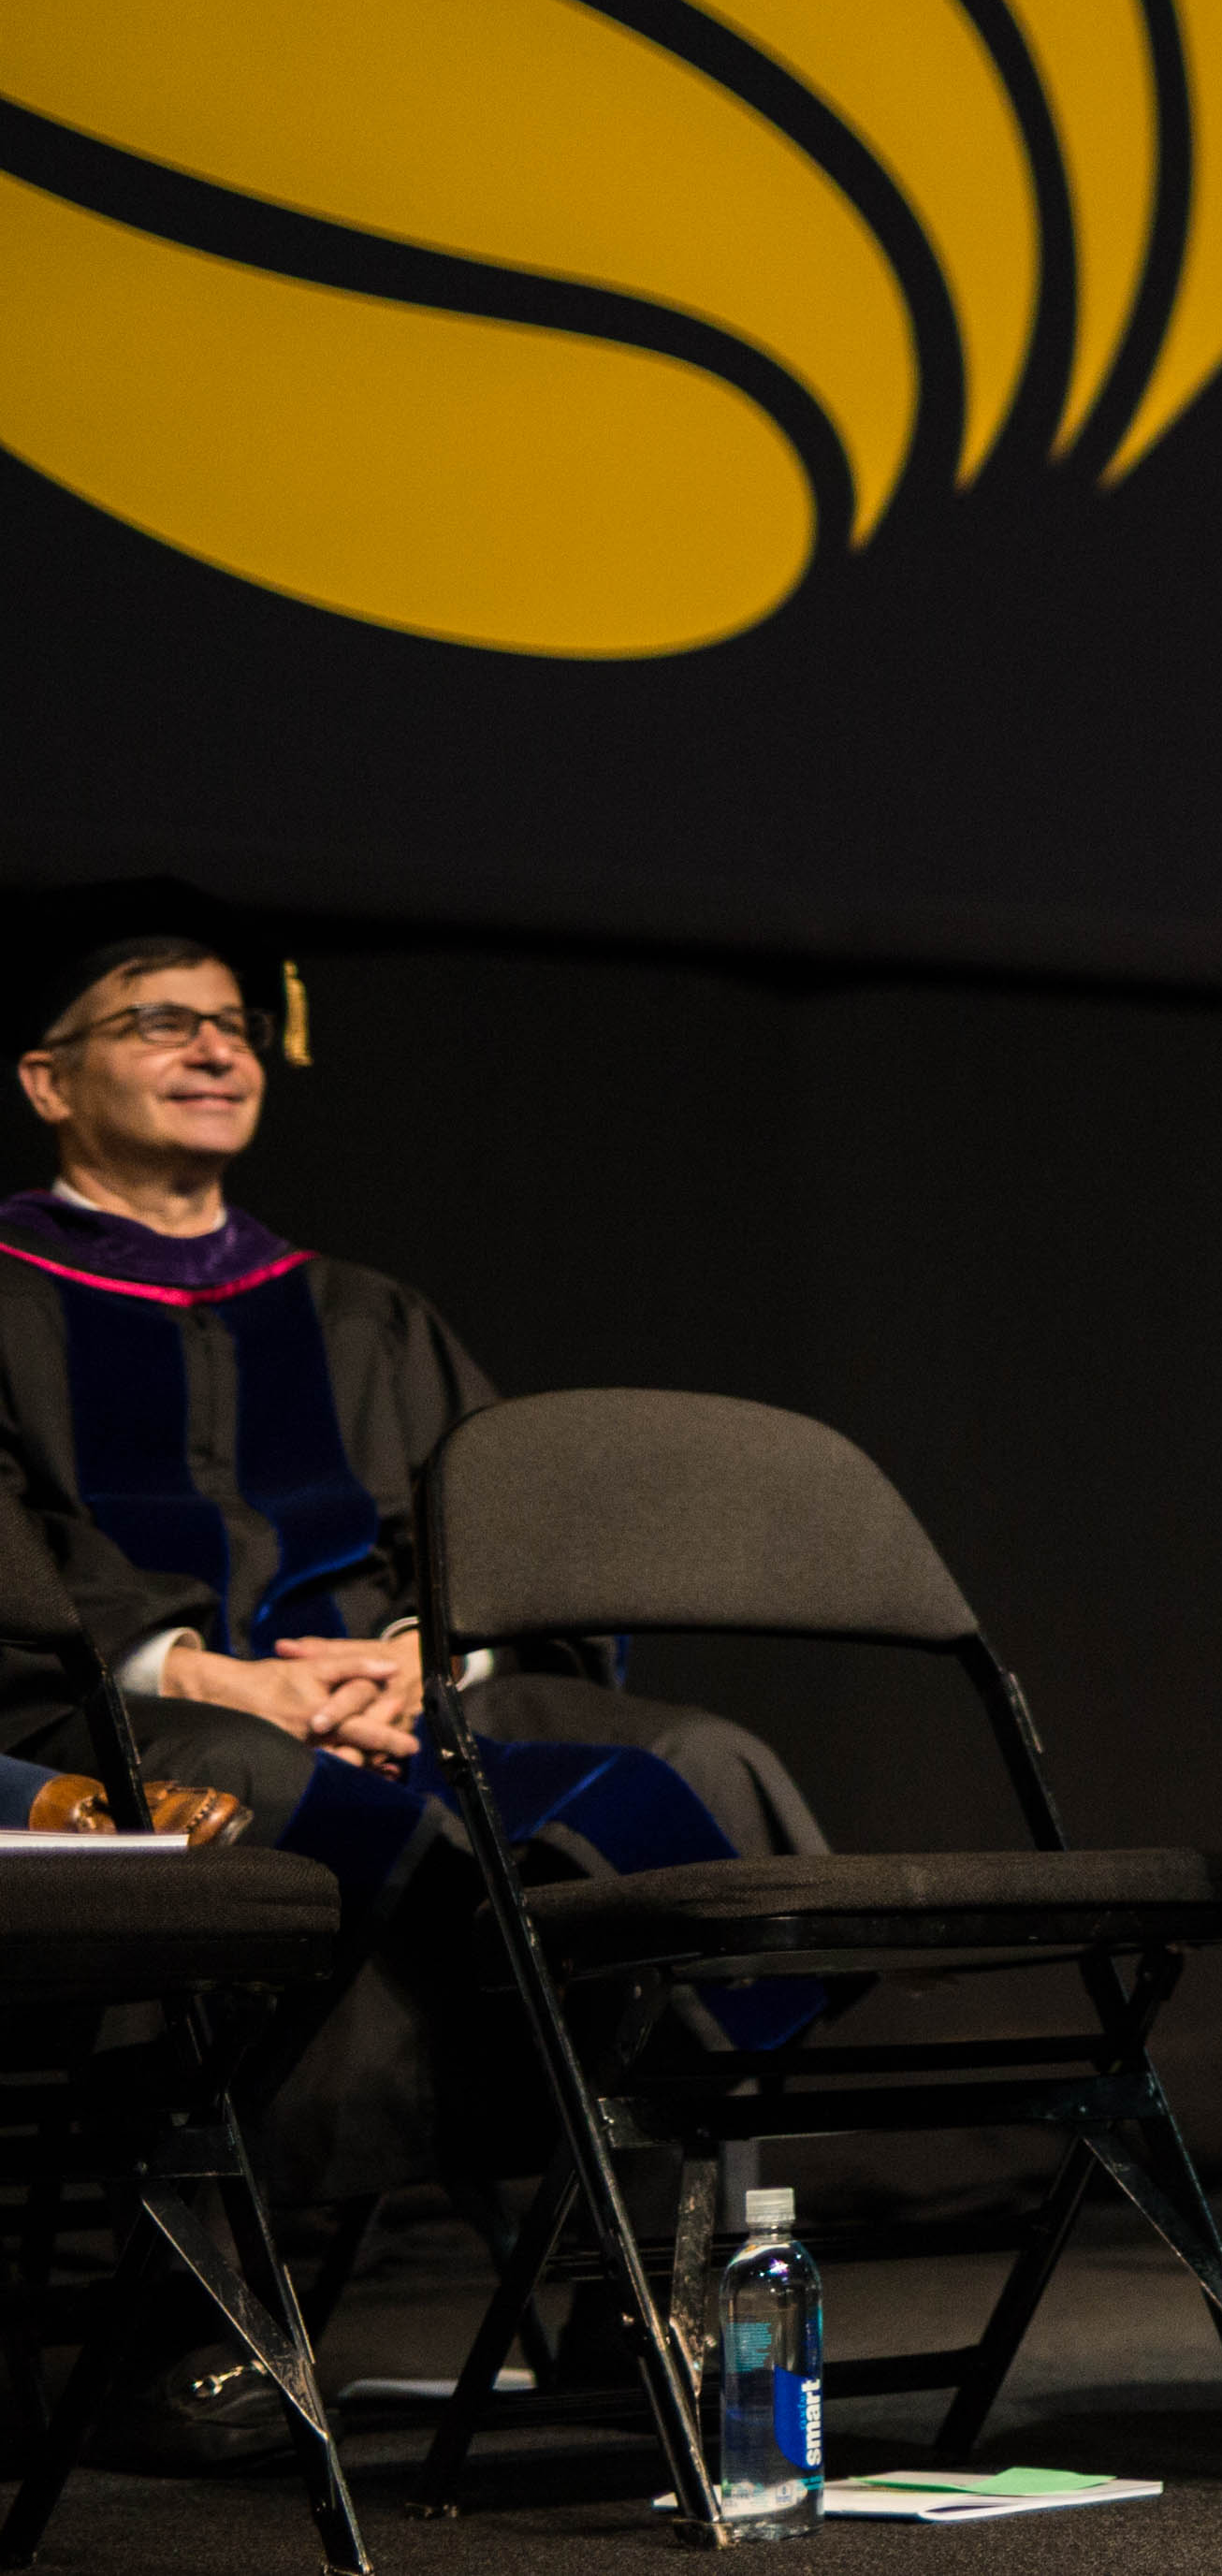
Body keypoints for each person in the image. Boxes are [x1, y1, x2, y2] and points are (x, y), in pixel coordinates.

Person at [2, 880, 825, 2464]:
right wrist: (209, 1674)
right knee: (245, 1794)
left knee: (691, 1762)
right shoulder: (1, 1295)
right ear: (48, 1080)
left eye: (233, 1024)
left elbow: (495, 1526)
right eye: (160, 1020)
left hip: (404, 1702)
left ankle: (628, 2285)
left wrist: (416, 1653)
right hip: (111, 1709)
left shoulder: (361, 1315)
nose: (214, 1048)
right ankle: (197, 2311)